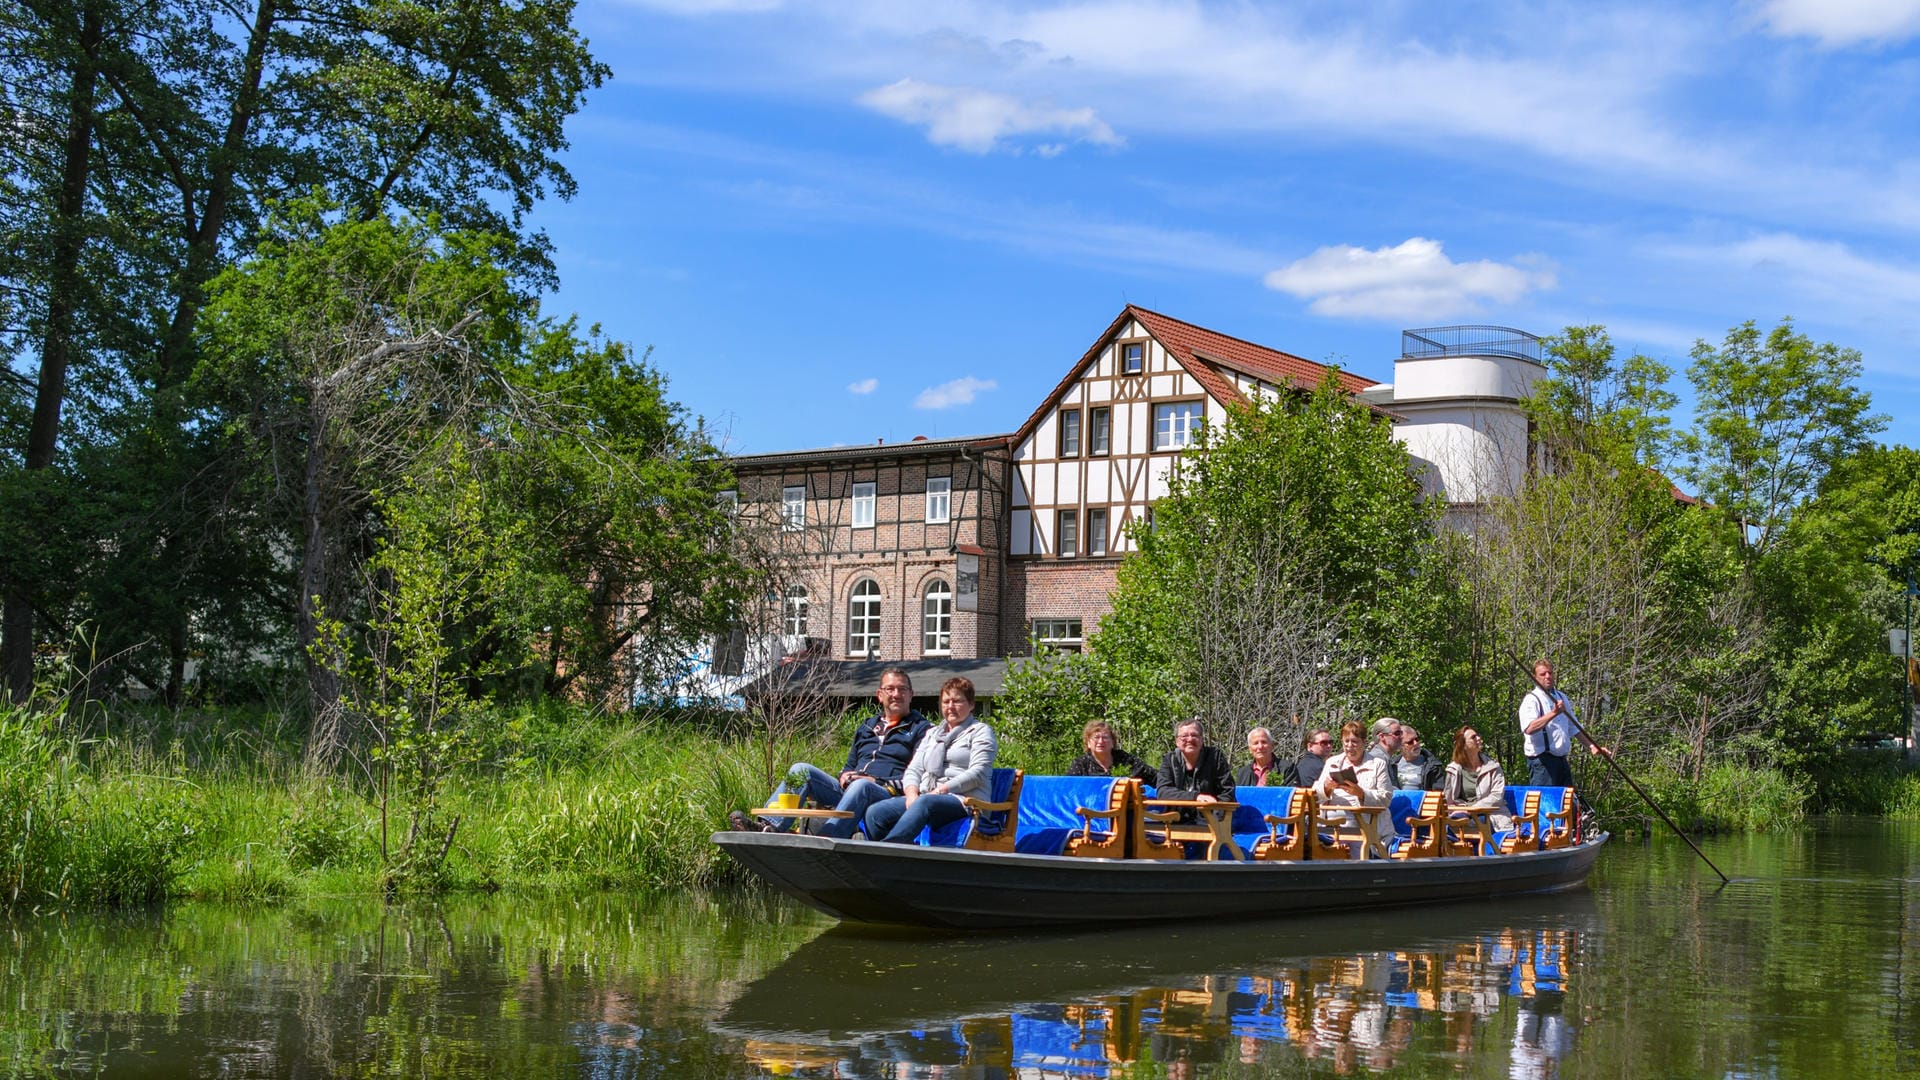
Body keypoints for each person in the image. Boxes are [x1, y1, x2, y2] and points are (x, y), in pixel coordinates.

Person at [728, 666, 929, 837]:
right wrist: (844, 776)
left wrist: (877, 782)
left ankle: (826, 839)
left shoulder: (922, 729)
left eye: (902, 689)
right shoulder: (867, 727)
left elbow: (919, 777)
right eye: (890, 689)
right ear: (880, 695)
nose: (896, 694)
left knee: (861, 786)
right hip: (850, 790)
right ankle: (768, 827)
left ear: (911, 694)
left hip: (887, 794)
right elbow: (849, 765)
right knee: (801, 770)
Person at [865, 677, 998, 844]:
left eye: (957, 701)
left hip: (965, 801)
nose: (950, 706)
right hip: (927, 797)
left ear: (971, 705)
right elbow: (914, 769)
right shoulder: (933, 734)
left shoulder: (980, 732)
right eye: (946, 702)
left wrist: (942, 790)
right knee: (875, 812)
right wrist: (912, 795)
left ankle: (887, 853)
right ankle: (904, 857)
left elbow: (978, 773)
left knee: (926, 802)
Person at [1517, 660, 1611, 788]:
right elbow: (1529, 728)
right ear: (1535, 677)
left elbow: (1574, 726)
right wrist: (1554, 713)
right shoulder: (1532, 700)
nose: (1547, 676)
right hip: (1542, 764)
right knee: (1546, 806)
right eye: (1543, 674)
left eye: (1550, 673)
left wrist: (1592, 746)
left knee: (1566, 804)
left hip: (1561, 761)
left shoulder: (1561, 697)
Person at [1314, 720, 1392, 852]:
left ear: (1364, 742)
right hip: (1330, 824)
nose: (1350, 746)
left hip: (1364, 824)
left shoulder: (1377, 764)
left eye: (1354, 742)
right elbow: (1315, 794)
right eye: (1346, 741)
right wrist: (1326, 788)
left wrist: (1361, 794)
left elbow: (1386, 798)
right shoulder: (1332, 762)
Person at [1443, 726, 1513, 833]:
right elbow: (1449, 799)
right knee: (1449, 824)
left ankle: (1466, 847)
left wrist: (1472, 809)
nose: (1478, 738)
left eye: (1478, 735)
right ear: (1464, 745)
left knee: (1472, 825)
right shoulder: (1454, 769)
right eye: (1473, 737)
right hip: (1463, 813)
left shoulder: (1493, 767)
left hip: (1491, 815)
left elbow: (1496, 796)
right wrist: (1456, 810)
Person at [1155, 718, 1236, 805]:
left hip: (1210, 815)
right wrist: (1195, 797)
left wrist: (1215, 813)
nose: (1190, 739)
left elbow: (1227, 792)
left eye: (1194, 735)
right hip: (1176, 816)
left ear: (1201, 740)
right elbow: (1163, 792)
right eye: (1184, 736)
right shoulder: (1169, 760)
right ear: (1177, 741)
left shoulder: (1215, 757)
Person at [1066, 719, 1157, 782]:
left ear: (1113, 742)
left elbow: (1154, 776)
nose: (1101, 741)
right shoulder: (1081, 764)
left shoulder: (1125, 759)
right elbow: (1068, 788)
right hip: (1091, 808)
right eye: (1096, 737)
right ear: (1088, 743)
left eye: (1105, 737)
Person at [1233, 726, 1301, 788]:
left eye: (1264, 742)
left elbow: (1291, 796)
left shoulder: (1287, 769)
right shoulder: (1243, 773)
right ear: (1250, 749)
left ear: (1272, 745)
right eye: (1256, 743)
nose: (1260, 747)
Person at [1391, 723, 1443, 791]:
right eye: (1410, 742)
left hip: (1423, 801)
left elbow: (1438, 793)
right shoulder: (1391, 765)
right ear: (1400, 746)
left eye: (1417, 739)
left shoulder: (1432, 766)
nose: (1416, 743)